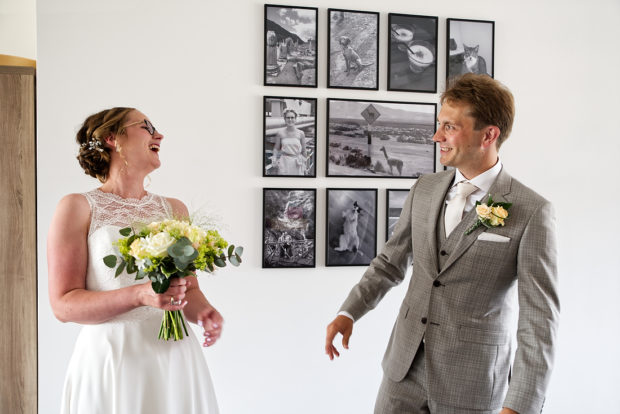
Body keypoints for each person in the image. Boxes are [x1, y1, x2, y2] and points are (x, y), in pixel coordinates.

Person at [325, 74, 559, 414]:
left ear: (488, 135)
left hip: (473, 382)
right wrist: (349, 311)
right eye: (439, 124)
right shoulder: (425, 188)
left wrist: (521, 404)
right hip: (402, 372)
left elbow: (539, 319)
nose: (437, 137)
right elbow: (390, 263)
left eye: (450, 127)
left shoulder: (532, 211)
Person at [48, 107, 221, 413]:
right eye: (146, 126)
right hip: (112, 357)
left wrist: (204, 311)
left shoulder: (174, 209)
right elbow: (63, 305)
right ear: (113, 138)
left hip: (174, 355)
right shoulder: (76, 207)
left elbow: (188, 289)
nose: (159, 135)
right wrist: (140, 295)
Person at [272, 108, 307, 175]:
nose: (290, 119)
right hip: (284, 162)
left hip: (297, 163)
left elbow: (304, 150)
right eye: (288, 117)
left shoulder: (301, 133)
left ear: (295, 119)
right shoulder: (280, 133)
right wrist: (274, 158)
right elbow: (276, 148)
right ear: (285, 119)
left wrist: (304, 164)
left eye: (292, 117)